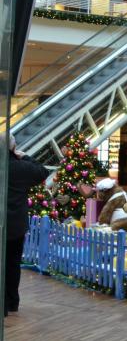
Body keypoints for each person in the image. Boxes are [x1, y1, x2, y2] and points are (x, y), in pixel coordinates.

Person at [4, 133, 50, 316]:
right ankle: (11, 301)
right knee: (13, 263)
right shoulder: (21, 167)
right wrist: (25, 157)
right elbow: (42, 171)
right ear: (13, 147)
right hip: (15, 225)